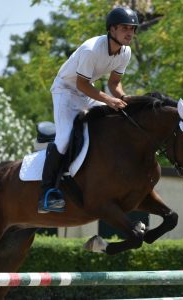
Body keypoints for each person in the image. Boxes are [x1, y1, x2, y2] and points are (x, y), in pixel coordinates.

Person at [38, 6, 139, 213]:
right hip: (65, 90)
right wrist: (109, 100)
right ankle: (46, 192)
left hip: (86, 92)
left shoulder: (125, 52)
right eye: (125, 28)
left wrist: (124, 99)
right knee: (64, 138)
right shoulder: (91, 49)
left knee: (118, 118)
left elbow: (114, 83)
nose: (130, 32)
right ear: (112, 30)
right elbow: (82, 84)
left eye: (133, 28)